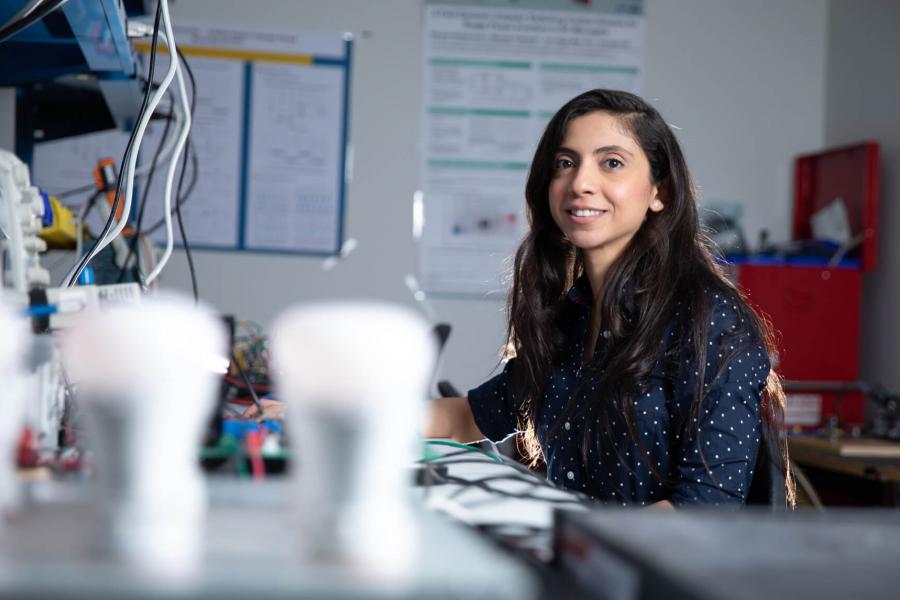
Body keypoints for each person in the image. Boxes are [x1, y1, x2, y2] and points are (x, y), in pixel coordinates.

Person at [426, 89, 795, 508]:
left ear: (660, 192)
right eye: (565, 163)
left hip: (647, 551)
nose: (580, 183)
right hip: (583, 541)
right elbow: (466, 418)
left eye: (612, 163)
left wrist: (568, 539)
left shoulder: (709, 319)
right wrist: (368, 415)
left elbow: (706, 507)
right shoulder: (572, 318)